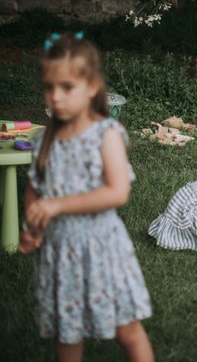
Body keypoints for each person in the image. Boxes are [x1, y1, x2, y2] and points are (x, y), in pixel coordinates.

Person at [18, 33, 154, 362]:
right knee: (67, 333)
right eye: (49, 88)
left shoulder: (104, 134)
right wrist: (33, 223)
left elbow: (117, 191)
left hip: (101, 249)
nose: (56, 97)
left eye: (67, 87)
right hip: (59, 253)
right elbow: (35, 189)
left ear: (92, 86)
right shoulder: (44, 141)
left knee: (127, 330)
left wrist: (58, 205)